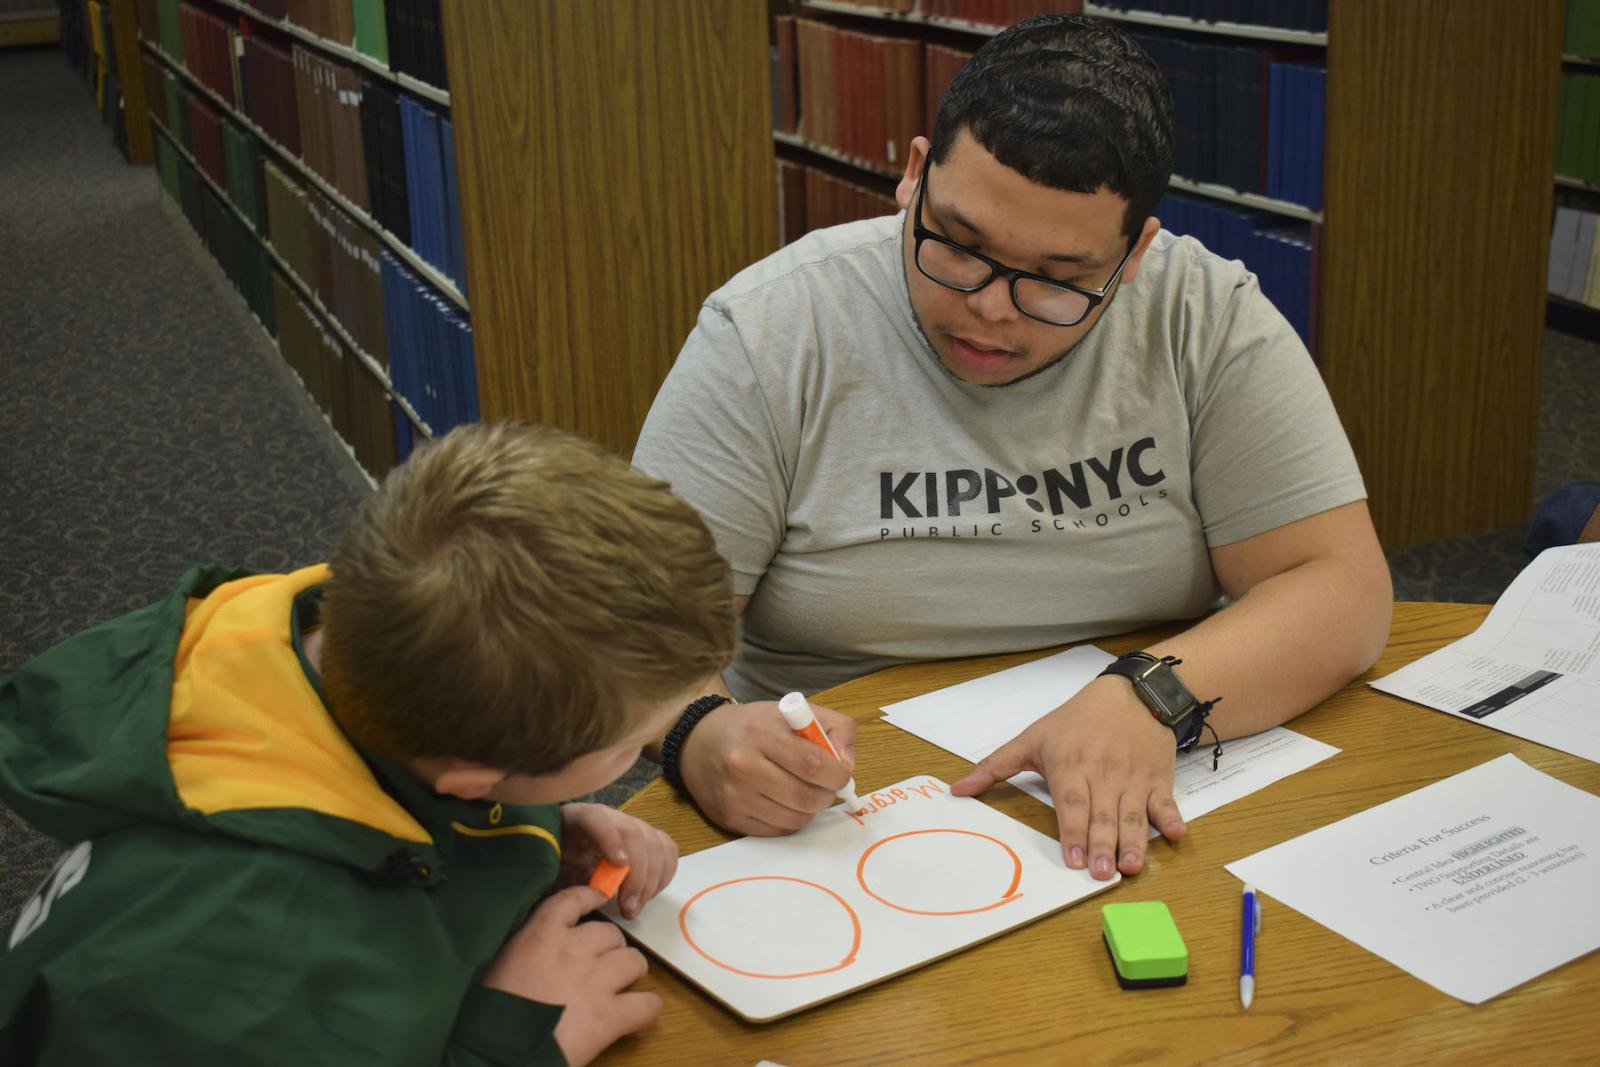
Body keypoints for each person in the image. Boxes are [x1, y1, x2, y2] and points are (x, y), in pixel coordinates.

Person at [633, 14, 1391, 883]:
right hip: (839, 813)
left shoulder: (1203, 316)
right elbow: (625, 638)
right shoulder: (769, 332)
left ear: (1134, 253)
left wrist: (1150, 694)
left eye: (1059, 280)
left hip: (1130, 779)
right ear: (912, 176)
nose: (991, 308)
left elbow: (1344, 588)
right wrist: (699, 732)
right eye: (960, 245)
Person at [0, 421, 737, 1066]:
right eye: (627, 748)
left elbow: (390, 785)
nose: (630, 757)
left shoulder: (337, 646)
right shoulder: (230, 984)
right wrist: (507, 1044)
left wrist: (528, 831)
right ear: (475, 774)